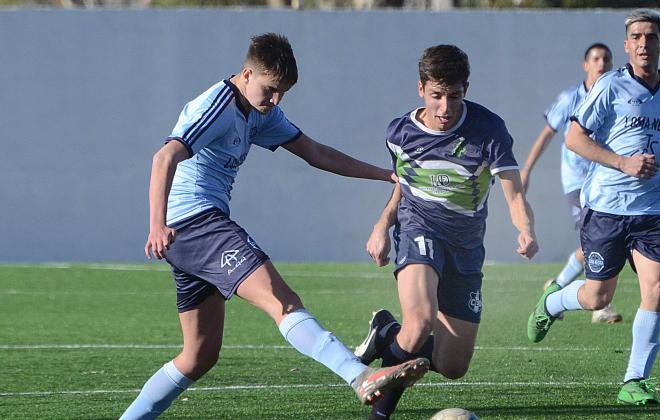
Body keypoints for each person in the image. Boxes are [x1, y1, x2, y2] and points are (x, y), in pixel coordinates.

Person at [120, 33, 429, 420]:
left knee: (198, 356)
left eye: (282, 92)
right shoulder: (217, 106)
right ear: (247, 74)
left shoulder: (259, 109)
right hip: (195, 223)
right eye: (270, 90)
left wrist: (385, 175)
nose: (275, 101)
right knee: (281, 300)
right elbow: (164, 156)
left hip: (192, 233)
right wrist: (156, 225)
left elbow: (315, 153)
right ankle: (360, 376)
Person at [355, 45, 539, 419]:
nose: (445, 108)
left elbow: (514, 192)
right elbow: (404, 185)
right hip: (419, 229)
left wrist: (526, 229)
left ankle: (386, 333)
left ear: (465, 89)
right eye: (437, 96)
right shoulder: (400, 132)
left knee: (453, 365)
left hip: (466, 247)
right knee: (420, 323)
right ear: (421, 88)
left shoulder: (489, 130)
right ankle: (380, 414)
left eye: (453, 96)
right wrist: (382, 224)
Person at [528, 9, 660, 405]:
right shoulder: (609, 87)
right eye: (635, 37)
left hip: (653, 210)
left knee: (656, 286)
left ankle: (634, 380)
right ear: (627, 45)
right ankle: (552, 301)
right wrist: (623, 162)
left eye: (650, 37)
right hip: (606, 207)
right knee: (598, 297)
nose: (642, 44)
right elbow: (574, 139)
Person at [520, 43, 623, 326]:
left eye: (606, 59)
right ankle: (600, 306)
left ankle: (557, 284)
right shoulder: (571, 98)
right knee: (597, 241)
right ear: (585, 65)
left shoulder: (616, 95)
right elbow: (546, 134)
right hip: (578, 182)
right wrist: (526, 170)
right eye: (596, 58)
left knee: (602, 241)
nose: (601, 63)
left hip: (605, 180)